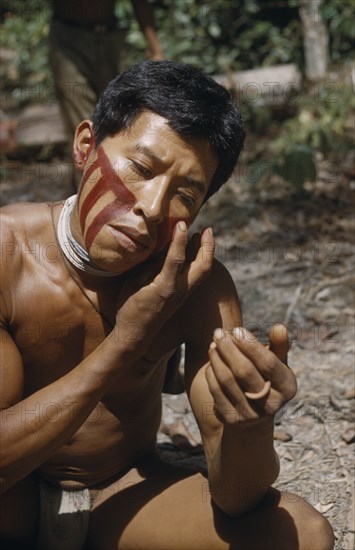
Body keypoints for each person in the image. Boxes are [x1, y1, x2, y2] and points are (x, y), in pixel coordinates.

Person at [0, 61, 334, 549]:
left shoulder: (197, 285)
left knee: (301, 534)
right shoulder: (7, 255)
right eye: (140, 169)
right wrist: (126, 341)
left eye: (184, 194)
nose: (153, 207)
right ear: (86, 146)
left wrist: (250, 429)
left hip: (120, 496)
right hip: (12, 503)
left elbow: (238, 497)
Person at [49, 0, 164, 170]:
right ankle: (86, 192)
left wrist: (156, 51)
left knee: (122, 118)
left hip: (111, 37)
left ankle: (124, 187)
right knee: (82, 126)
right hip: (69, 37)